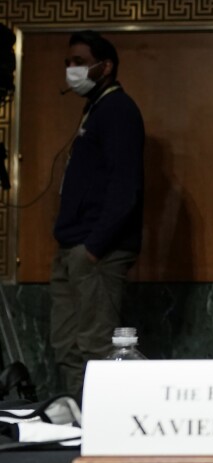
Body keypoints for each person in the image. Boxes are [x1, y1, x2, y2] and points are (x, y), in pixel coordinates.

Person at [50, 30, 145, 401]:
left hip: (97, 252)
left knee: (95, 345)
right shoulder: (96, 109)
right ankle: (78, 425)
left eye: (79, 62)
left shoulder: (119, 110)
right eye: (68, 63)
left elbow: (125, 188)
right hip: (74, 246)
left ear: (104, 67)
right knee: (66, 344)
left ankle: (101, 430)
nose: (71, 70)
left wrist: (94, 247)